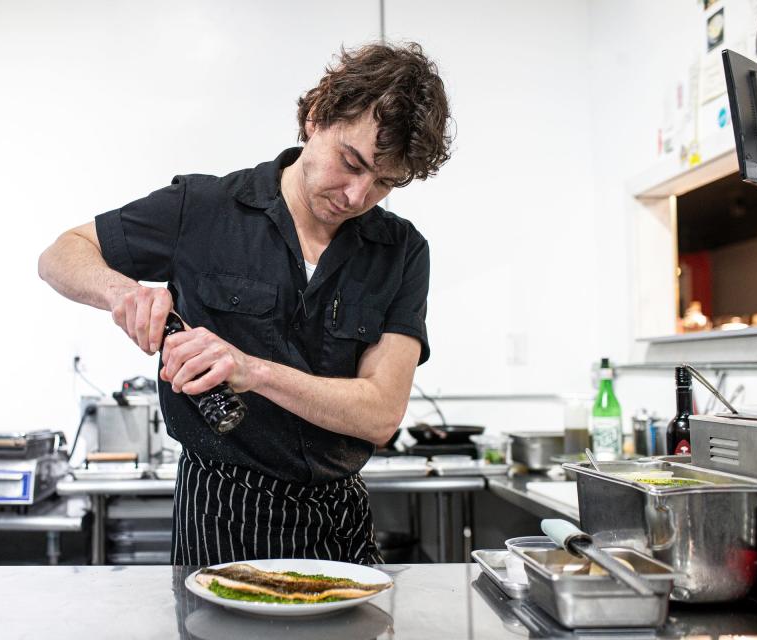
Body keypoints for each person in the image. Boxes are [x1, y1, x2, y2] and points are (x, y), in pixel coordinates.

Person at [39, 41, 453, 566]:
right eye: (351, 163)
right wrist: (124, 293)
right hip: (221, 511)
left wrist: (251, 370)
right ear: (316, 114)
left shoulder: (401, 251)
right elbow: (61, 254)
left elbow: (379, 416)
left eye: (384, 183)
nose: (356, 196)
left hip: (339, 518)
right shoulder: (204, 209)